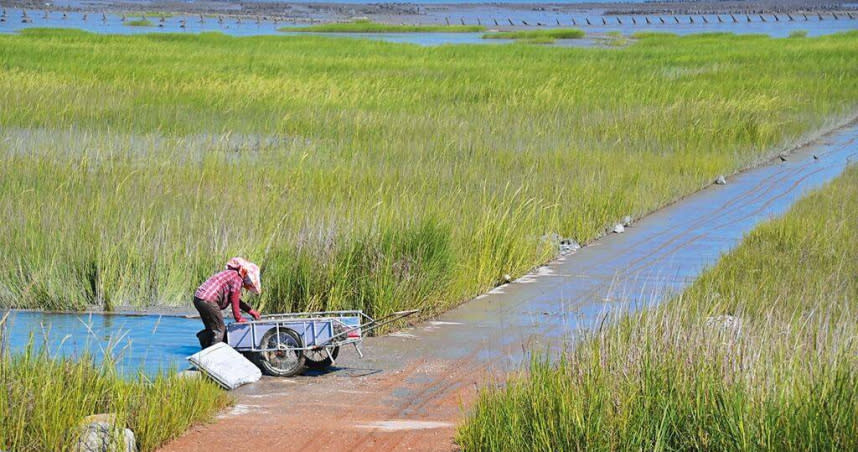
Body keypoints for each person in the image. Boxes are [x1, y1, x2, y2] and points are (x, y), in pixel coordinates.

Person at [193, 257, 262, 348]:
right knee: (220, 329)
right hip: (209, 300)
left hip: (199, 299)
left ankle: (205, 347)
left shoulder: (230, 274)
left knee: (212, 328)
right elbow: (234, 300)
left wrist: (250, 311)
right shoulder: (237, 278)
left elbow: (236, 299)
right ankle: (213, 355)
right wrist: (238, 318)